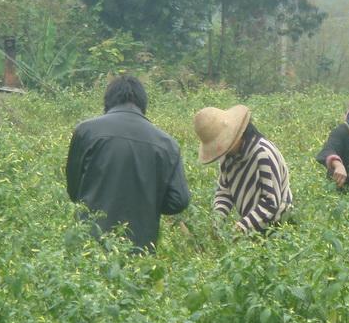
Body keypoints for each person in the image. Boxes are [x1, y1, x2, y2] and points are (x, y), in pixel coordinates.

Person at [66, 75, 190, 251]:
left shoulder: (85, 131)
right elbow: (179, 200)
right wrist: (149, 202)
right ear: (143, 105)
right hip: (139, 250)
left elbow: (74, 191)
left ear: (107, 103)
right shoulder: (167, 144)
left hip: (89, 246)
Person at [194, 105, 292, 233]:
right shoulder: (227, 157)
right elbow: (224, 191)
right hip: (251, 231)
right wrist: (217, 221)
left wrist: (241, 227)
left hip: (278, 230)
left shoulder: (263, 153)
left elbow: (271, 202)